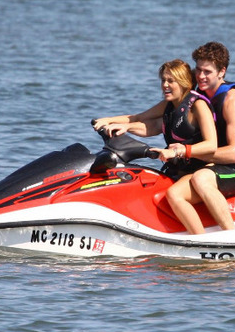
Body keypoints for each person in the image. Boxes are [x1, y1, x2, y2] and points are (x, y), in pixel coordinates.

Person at [92, 59, 217, 234]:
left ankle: (201, 240)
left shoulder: (197, 105)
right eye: (163, 80)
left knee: (174, 194)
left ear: (184, 83)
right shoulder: (169, 106)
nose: (165, 85)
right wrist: (111, 121)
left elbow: (212, 145)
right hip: (178, 170)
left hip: (201, 170)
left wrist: (177, 151)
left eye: (170, 81)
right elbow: (141, 120)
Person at [174, 42, 235, 233]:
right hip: (223, 165)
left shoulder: (232, 101)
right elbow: (158, 116)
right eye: (198, 70)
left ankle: (230, 238)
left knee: (201, 178)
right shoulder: (200, 95)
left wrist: (189, 152)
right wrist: (123, 123)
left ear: (221, 72)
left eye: (207, 71)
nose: (200, 76)